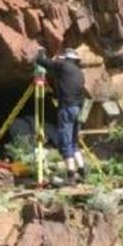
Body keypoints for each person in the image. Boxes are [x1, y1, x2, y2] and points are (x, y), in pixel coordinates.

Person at [35, 47, 87, 184]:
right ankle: (82, 170)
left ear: (65, 58)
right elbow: (69, 88)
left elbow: (41, 61)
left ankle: (70, 175)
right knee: (74, 142)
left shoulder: (63, 66)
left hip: (67, 108)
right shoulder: (79, 72)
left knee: (65, 142)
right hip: (77, 109)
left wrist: (41, 52)